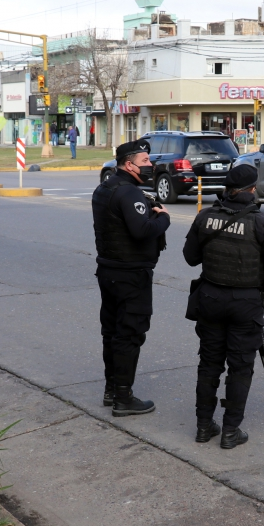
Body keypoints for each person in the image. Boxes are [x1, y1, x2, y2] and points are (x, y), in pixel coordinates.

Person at [182, 165, 264, 449]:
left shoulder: (205, 216)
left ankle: (204, 427)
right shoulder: (262, 222)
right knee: (240, 368)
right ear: (252, 189)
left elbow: (190, 257)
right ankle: (230, 431)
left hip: (211, 299)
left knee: (209, 364)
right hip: (245, 303)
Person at [91, 139, 171, 417]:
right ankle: (123, 397)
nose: (151, 166)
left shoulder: (105, 187)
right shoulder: (129, 193)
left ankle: (112, 389)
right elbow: (142, 230)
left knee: (111, 332)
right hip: (130, 275)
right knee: (129, 334)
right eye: (145, 162)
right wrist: (163, 218)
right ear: (129, 164)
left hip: (109, 271)